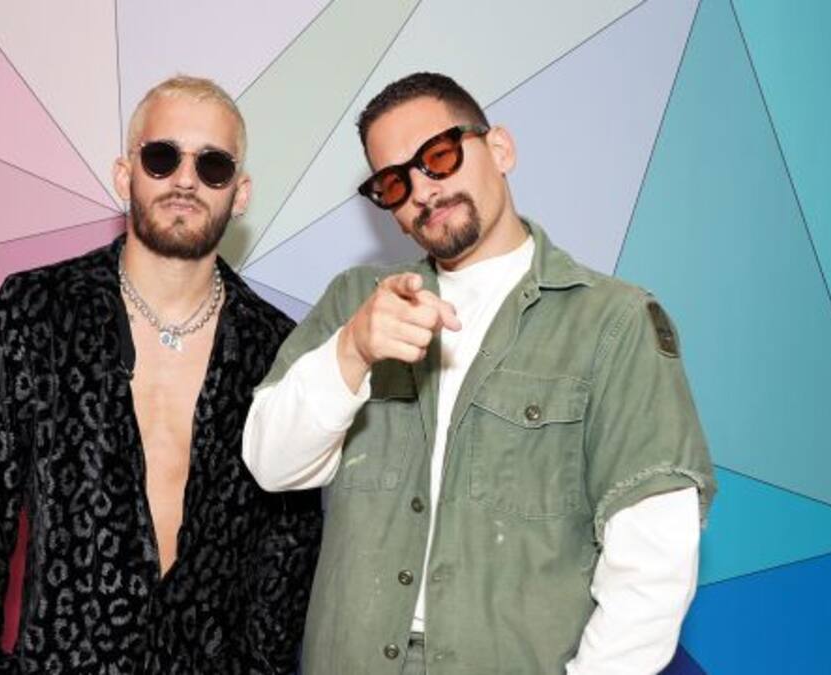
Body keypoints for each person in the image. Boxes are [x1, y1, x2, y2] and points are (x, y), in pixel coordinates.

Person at [242, 72, 716, 674]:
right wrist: (352, 351)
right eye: (395, 182)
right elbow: (272, 463)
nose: (423, 190)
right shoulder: (356, 303)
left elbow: (653, 562)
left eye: (439, 156)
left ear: (500, 149)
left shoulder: (613, 323)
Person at [0, 75, 322, 674]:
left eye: (213, 165)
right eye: (162, 157)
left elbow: (290, 544)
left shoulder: (276, 347)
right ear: (126, 176)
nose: (185, 180)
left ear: (240, 193)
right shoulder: (37, 310)